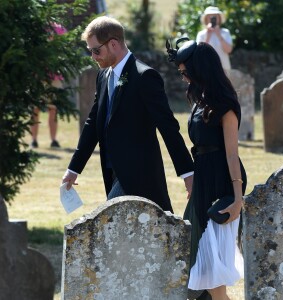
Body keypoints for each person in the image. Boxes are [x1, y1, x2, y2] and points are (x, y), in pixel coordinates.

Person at [62, 16, 194, 212]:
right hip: (112, 172)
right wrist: (74, 169)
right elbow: (93, 123)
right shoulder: (103, 76)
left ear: (113, 44)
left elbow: (168, 127)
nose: (93, 57)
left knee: (107, 227)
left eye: (96, 50)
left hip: (139, 173)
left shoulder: (144, 76)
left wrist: (188, 173)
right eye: (90, 51)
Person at [167, 39, 247, 300]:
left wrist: (237, 199)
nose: (183, 77)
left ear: (199, 68)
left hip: (221, 182)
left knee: (212, 273)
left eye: (184, 71)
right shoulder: (199, 101)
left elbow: (232, 154)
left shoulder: (225, 105)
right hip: (203, 180)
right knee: (195, 261)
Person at [31, 22, 67, 148]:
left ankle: (54, 140)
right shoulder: (34, 27)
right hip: (37, 77)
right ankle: (34, 140)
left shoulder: (60, 28)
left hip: (55, 77)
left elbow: (64, 48)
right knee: (35, 109)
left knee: (53, 109)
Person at [196, 6, 233, 71]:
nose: (212, 18)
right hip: (207, 68)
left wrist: (219, 35)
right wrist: (208, 36)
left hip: (224, 69)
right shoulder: (201, 34)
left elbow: (229, 50)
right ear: (206, 19)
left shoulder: (225, 32)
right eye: (210, 16)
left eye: (214, 16)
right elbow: (199, 53)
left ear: (219, 18)